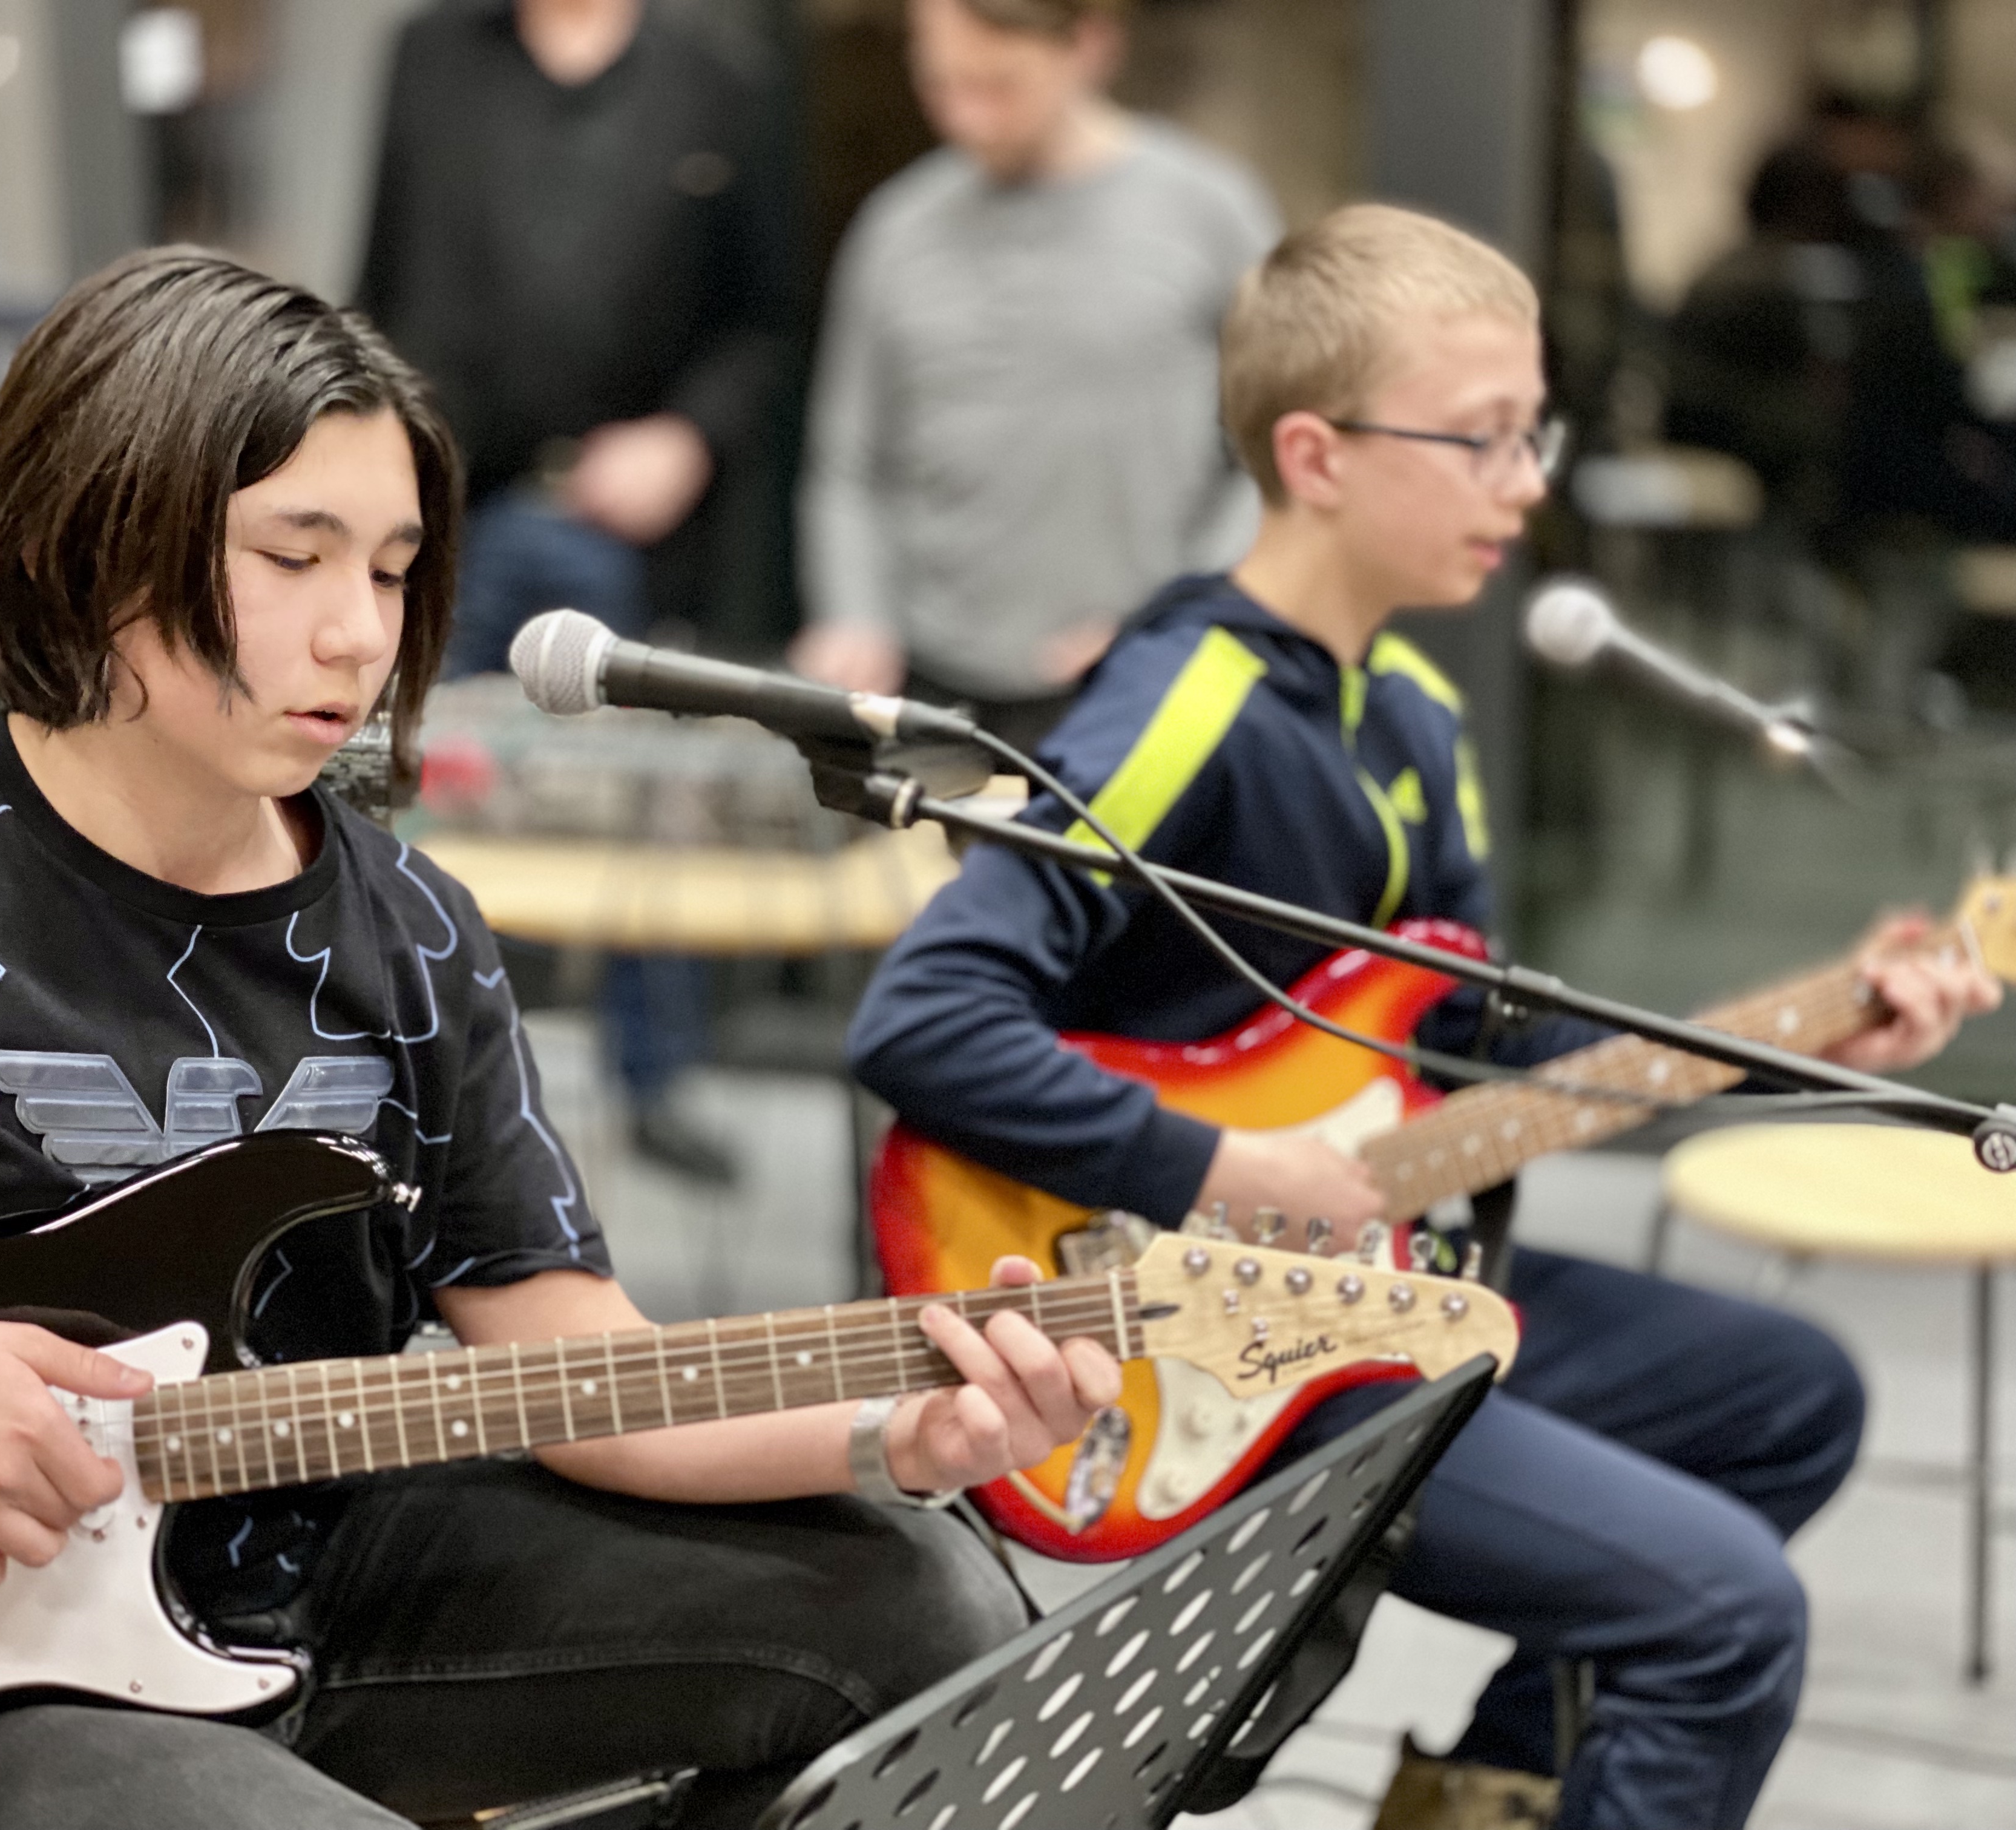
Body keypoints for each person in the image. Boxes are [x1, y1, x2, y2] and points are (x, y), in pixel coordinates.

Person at [0, 249, 1120, 1830]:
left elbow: (578, 1361)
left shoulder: (409, 930)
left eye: (388, 571)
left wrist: (897, 1425)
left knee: (924, 1600)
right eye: (293, 557)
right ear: (98, 530)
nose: (356, 637)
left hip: (321, 1578)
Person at [844, 205, 2000, 1829]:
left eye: (1537, 432)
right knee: (1729, 1617)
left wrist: (1810, 1038)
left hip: (1377, 1284)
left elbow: (1486, 1063)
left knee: (1790, 1396)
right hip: (1189, 1337)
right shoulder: (1186, 703)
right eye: (1484, 439)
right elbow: (925, 1017)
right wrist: (1227, 1177)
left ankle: (1487, 1789)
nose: (1530, 482)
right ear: (1315, 456)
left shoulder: (1417, 715)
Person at [355, 0, 796, 1183]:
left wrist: (690, 439)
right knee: (402, 791)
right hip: (453, 505)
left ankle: (656, 1082)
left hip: (627, 518)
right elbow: (382, 272)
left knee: (650, 806)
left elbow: (765, 325)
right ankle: (401, 1075)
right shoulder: (433, 54)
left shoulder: (718, 76)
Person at [792, 0, 1279, 754]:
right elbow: (849, 464)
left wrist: (1176, 619)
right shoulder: (896, 229)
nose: (966, 118)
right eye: (942, 85)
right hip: (930, 692)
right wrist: (857, 614)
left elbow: (1268, 461)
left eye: (997, 85)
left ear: (1090, 45)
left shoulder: (1213, 213)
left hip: (1141, 689)